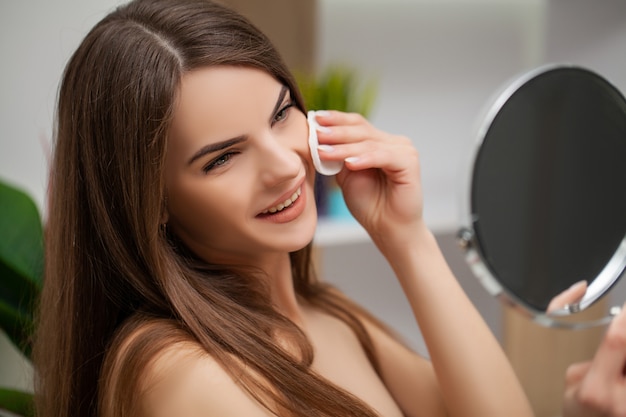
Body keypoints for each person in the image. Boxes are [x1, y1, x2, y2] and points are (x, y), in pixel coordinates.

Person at [33, 1, 534, 416]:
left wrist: (406, 238)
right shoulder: (180, 372)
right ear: (151, 202)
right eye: (223, 157)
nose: (284, 166)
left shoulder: (326, 313)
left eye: (280, 114)